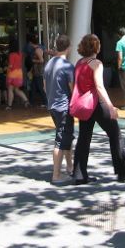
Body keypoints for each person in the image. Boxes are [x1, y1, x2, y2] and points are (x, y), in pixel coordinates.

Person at [72, 33, 125, 185]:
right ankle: (122, 171)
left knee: (84, 138)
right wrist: (110, 106)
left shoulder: (79, 63)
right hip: (96, 103)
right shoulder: (96, 63)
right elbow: (99, 87)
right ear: (96, 46)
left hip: (83, 105)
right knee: (115, 134)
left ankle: (79, 174)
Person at [44, 34, 74, 186]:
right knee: (61, 140)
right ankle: (56, 175)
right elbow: (72, 89)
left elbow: (45, 86)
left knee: (66, 136)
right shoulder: (68, 66)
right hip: (64, 107)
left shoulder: (49, 64)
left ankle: (70, 167)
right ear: (68, 48)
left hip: (52, 106)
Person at [5, 41, 29, 110]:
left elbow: (11, 66)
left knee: (10, 89)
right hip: (19, 74)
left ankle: (9, 105)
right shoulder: (20, 54)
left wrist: (7, 70)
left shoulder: (11, 55)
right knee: (17, 89)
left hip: (12, 74)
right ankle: (26, 101)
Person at [29, 37, 48, 107]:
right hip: (36, 71)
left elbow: (41, 60)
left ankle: (46, 102)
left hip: (39, 71)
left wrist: (33, 61)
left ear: (31, 43)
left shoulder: (37, 50)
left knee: (40, 87)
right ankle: (30, 101)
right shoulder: (38, 48)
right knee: (33, 87)